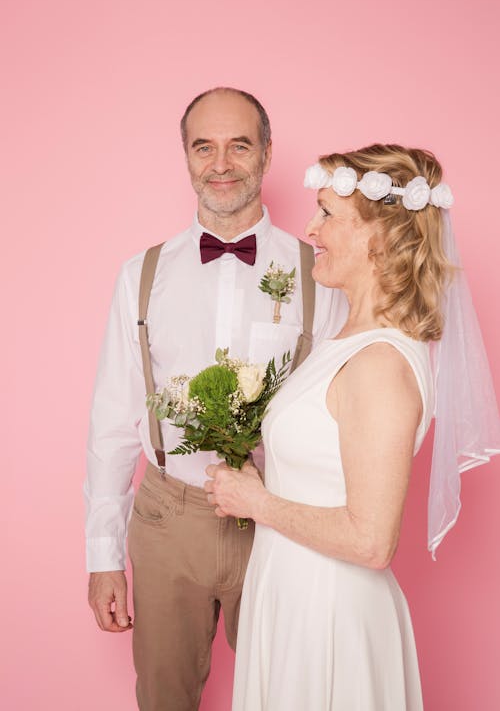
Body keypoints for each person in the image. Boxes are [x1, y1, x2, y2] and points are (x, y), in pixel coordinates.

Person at [206, 144, 500, 710]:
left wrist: (255, 501)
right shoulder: (345, 340)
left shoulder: (381, 365)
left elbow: (371, 541)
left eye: (326, 213)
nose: (310, 228)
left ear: (379, 237)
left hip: (329, 618)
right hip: (294, 598)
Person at [84, 87, 346, 711]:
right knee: (164, 699)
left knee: (288, 694)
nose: (221, 163)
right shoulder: (140, 275)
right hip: (167, 518)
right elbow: (113, 422)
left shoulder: (321, 272)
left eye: (239, 145)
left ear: (267, 154)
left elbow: (342, 412)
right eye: (205, 147)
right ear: (186, 156)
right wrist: (102, 555)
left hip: (279, 520)